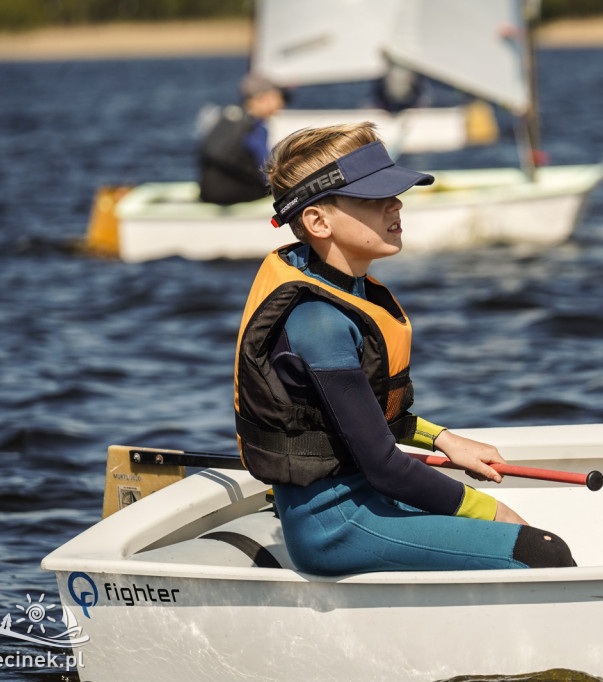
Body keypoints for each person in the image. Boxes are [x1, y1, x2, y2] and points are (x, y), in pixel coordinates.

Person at [233, 122, 575, 575]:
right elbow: (384, 465)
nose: (395, 204)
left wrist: (444, 439)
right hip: (336, 527)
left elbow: (363, 418)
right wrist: (484, 509)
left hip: (368, 501)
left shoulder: (346, 288)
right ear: (318, 222)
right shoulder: (319, 321)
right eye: (373, 199)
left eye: (393, 193)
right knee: (543, 551)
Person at [198, 72, 285, 205]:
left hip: (208, 192)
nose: (282, 103)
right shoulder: (255, 126)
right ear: (263, 98)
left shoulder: (229, 115)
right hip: (236, 193)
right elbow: (266, 171)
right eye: (279, 97)